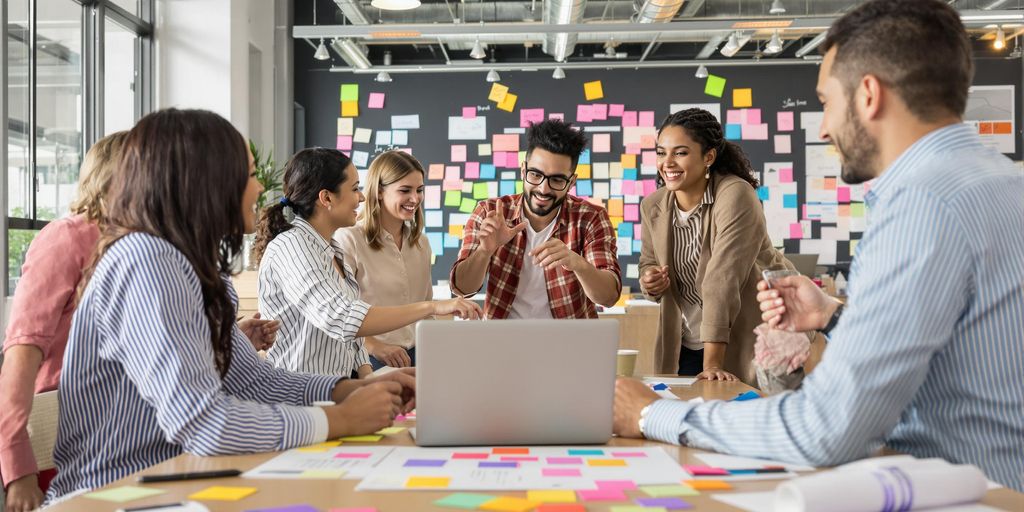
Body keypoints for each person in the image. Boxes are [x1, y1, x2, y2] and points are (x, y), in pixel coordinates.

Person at [613, 0, 1024, 492]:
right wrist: (833, 313)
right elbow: (960, 348)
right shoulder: (999, 183)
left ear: (868, 95)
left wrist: (653, 414)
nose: (825, 128)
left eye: (826, 101)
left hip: (959, 491)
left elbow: (826, 428)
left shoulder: (921, 207)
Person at [45, 109, 417, 501]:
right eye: (251, 174)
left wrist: (347, 389)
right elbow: (203, 423)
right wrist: (337, 419)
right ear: (210, 182)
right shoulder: (147, 261)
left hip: (180, 480)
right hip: (115, 495)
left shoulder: (200, 269)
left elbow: (253, 381)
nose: (260, 188)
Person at [254, 148, 480, 379]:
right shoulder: (293, 247)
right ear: (326, 198)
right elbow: (342, 318)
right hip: (298, 394)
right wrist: (432, 306)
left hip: (332, 389)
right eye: (354, 189)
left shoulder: (331, 249)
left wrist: (368, 381)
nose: (362, 197)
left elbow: (352, 339)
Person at [0, 133, 127, 512]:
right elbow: (22, 350)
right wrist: (17, 468)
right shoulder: (67, 237)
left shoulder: (134, 245)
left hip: (113, 438)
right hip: (58, 441)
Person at [639, 109, 792, 385]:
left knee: (747, 420)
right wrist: (650, 281)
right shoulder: (653, 205)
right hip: (684, 341)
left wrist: (712, 365)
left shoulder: (735, 194)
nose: (667, 163)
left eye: (681, 153)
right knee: (681, 422)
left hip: (750, 337)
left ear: (708, 156)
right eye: (661, 152)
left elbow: (722, 279)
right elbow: (648, 262)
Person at [450, 120, 621, 318]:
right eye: (535, 175)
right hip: (503, 342)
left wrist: (578, 263)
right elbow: (462, 289)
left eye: (556, 180)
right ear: (523, 171)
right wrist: (484, 251)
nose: (543, 189)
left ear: (571, 182)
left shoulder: (591, 218)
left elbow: (608, 298)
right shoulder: (490, 212)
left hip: (568, 344)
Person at [335, 151, 431, 370]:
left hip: (419, 355)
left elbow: (426, 308)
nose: (415, 199)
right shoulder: (349, 239)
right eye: (405, 190)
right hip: (370, 358)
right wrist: (375, 346)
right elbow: (337, 316)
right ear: (379, 191)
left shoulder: (421, 244)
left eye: (419, 190)